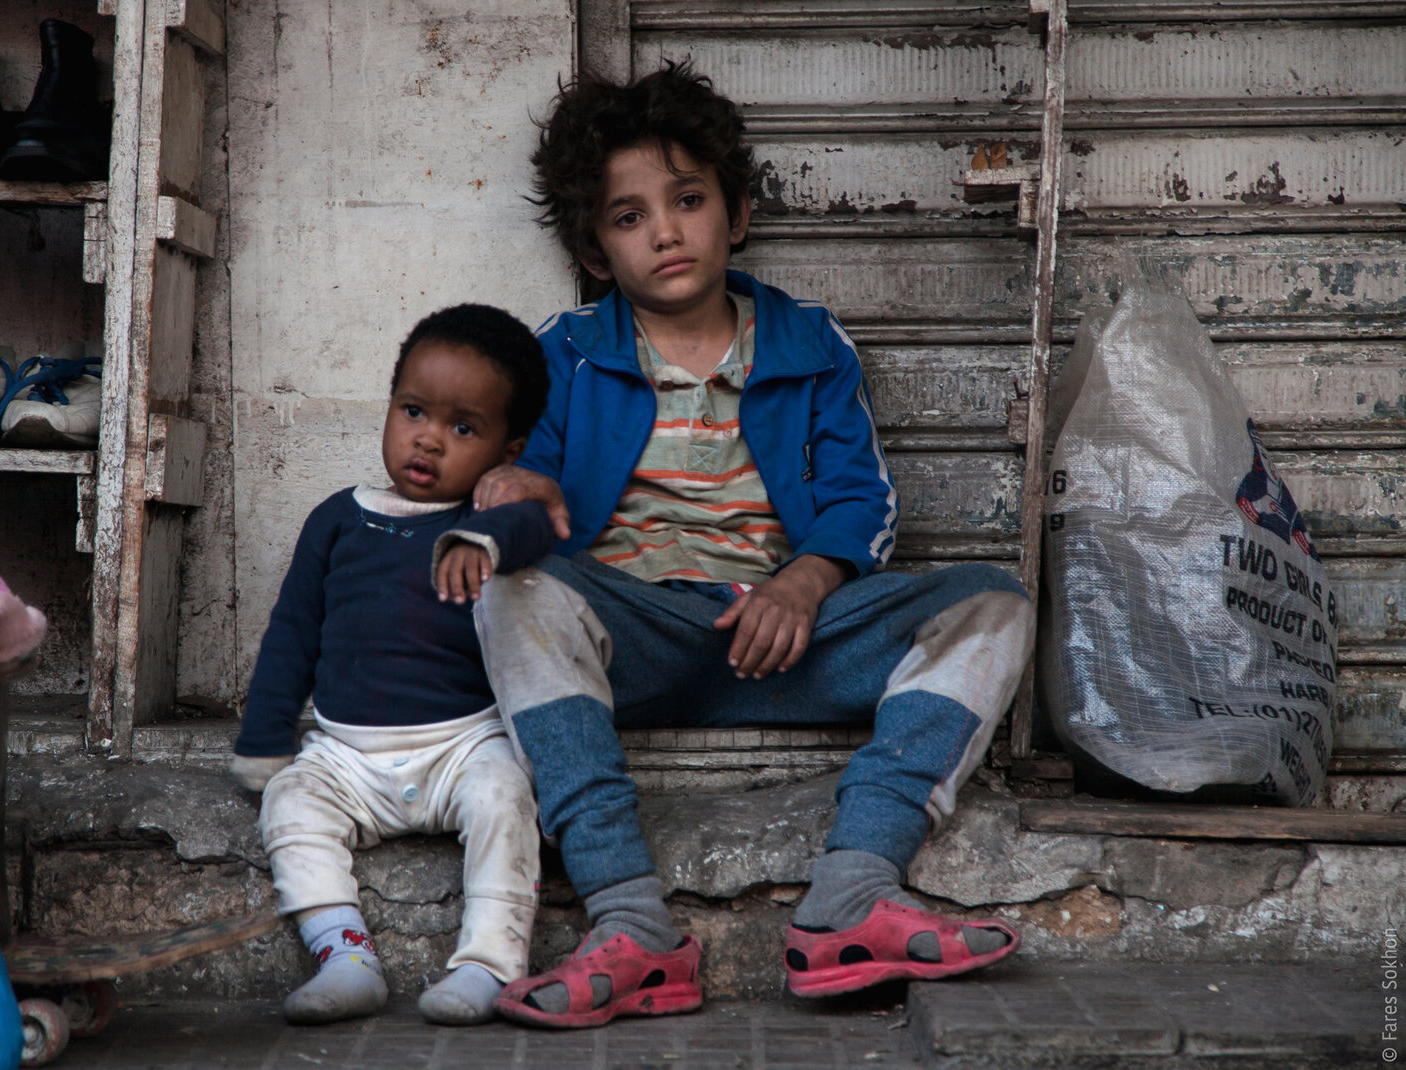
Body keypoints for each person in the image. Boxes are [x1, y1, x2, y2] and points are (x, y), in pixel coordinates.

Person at [470, 61, 1035, 1028]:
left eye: (688, 200)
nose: (666, 231)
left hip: (787, 639)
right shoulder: (563, 351)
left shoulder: (810, 345)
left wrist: (805, 583)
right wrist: (518, 488)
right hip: (634, 640)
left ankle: (852, 895)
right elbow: (537, 498)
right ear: (597, 251)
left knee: (993, 603)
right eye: (630, 216)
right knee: (510, 590)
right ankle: (631, 924)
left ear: (735, 214)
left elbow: (863, 501)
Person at [229, 304, 553, 1027]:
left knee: (505, 797)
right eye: (413, 411)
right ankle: (344, 958)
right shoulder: (337, 519)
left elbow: (535, 526)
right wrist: (264, 738)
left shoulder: (489, 524)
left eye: (463, 428)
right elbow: (292, 634)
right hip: (348, 754)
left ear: (508, 451)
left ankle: (487, 964)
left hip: (464, 745)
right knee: (290, 802)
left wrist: (488, 534)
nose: (429, 438)